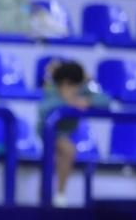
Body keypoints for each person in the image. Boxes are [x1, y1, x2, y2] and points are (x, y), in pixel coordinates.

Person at [38, 61, 111, 207]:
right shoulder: (51, 90)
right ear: (60, 83)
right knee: (68, 150)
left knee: (64, 153)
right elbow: (43, 109)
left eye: (73, 84)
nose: (70, 88)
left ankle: (56, 193)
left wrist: (88, 101)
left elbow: (105, 100)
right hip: (48, 131)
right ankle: (58, 195)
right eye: (66, 84)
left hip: (67, 132)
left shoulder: (82, 90)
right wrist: (66, 102)